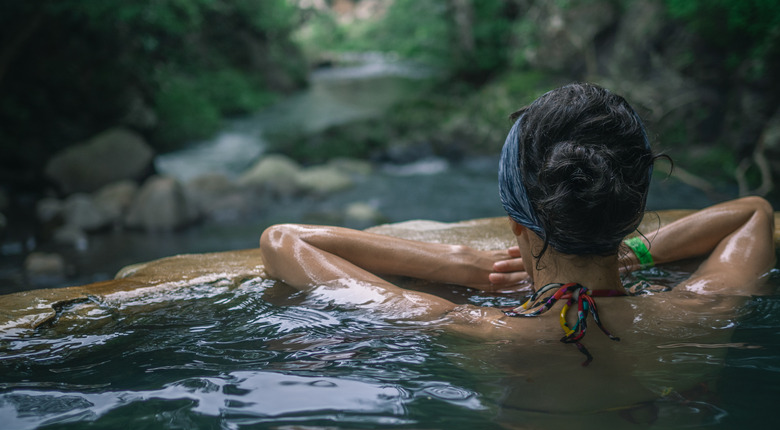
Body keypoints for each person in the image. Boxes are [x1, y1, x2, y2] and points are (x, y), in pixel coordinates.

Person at [260, 83, 775, 361]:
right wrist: (629, 252)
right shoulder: (702, 309)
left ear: (516, 224)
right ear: (631, 208)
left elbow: (283, 241)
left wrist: (465, 264)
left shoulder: (473, 328)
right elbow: (752, 211)